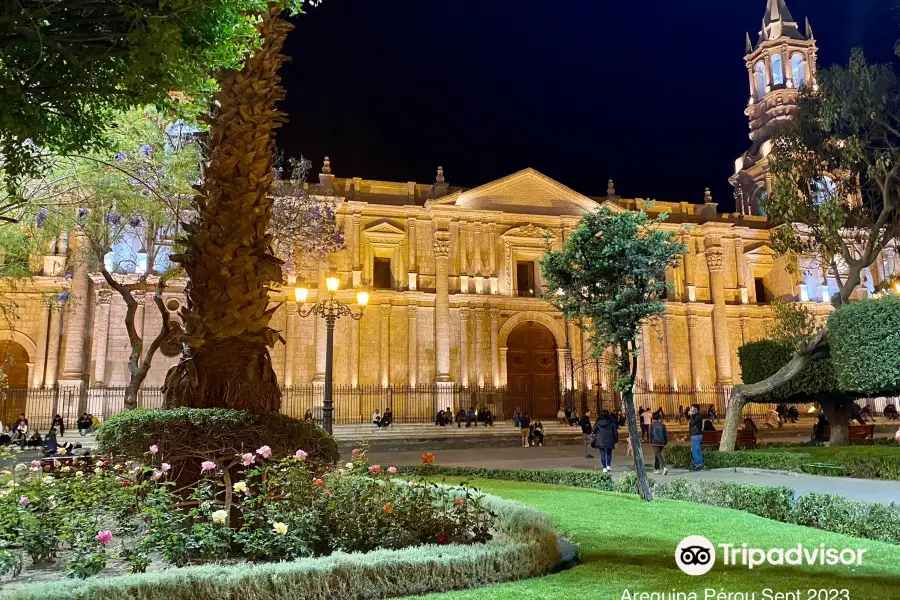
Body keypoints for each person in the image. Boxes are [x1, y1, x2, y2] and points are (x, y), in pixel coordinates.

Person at [688, 404, 703, 471]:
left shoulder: (698, 416)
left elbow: (693, 423)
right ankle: (699, 463)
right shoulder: (695, 416)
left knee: (695, 450)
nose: (691, 409)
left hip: (696, 434)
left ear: (695, 409)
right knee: (697, 450)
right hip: (695, 434)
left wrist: (691, 415)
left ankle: (698, 464)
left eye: (692, 408)